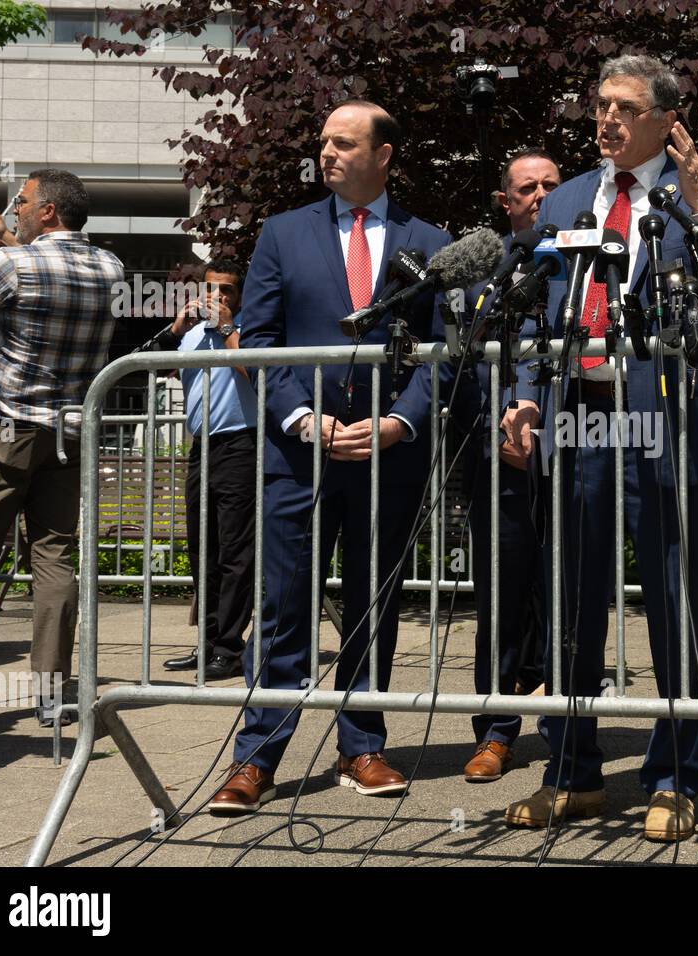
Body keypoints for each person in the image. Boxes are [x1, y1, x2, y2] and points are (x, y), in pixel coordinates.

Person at [499, 55, 698, 841]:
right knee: (571, 597)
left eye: (622, 107)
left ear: (664, 119)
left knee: (675, 600)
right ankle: (570, 771)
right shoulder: (570, 197)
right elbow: (535, 311)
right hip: (580, 415)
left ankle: (675, 775)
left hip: (667, 420)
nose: (605, 119)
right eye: (599, 105)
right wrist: (523, 394)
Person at [209, 100, 451, 815]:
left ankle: (362, 746)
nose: (328, 153)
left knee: (373, 603)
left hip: (389, 457)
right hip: (298, 454)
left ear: (384, 155)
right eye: (323, 143)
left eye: (345, 143)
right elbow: (259, 341)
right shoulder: (283, 234)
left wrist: (400, 423)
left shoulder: (428, 241)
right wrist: (303, 417)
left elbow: (443, 354)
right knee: (282, 605)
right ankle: (257, 757)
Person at [0, 169, 124, 726]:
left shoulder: (10, 265)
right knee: (54, 556)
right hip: (68, 435)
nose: (16, 211)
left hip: (4, 432)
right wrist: (7, 243)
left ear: (48, 210)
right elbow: (47, 274)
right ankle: (52, 694)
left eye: (23, 202)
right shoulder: (111, 268)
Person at [459, 150, 562, 784]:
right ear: (506, 201)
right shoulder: (483, 270)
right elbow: (467, 361)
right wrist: (502, 413)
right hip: (498, 459)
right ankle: (495, 731)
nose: (542, 196)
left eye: (553, 184)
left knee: (565, 597)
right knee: (498, 600)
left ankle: (564, 726)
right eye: (528, 187)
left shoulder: (584, 259)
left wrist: (542, 416)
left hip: (572, 449)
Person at [133, 259, 254, 681]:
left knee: (236, 550)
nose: (218, 297)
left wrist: (226, 329)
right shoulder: (193, 335)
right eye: (212, 289)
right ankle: (208, 642)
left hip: (242, 443)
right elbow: (140, 365)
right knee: (204, 545)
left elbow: (254, 372)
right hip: (201, 446)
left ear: (240, 296)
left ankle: (230, 646)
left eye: (227, 290)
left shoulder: (245, 330)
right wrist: (175, 329)